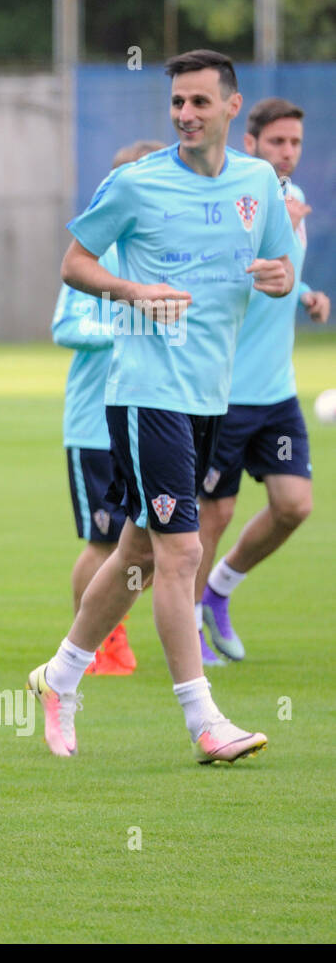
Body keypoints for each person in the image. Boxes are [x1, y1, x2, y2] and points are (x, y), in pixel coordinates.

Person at [30, 50, 293, 764]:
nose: (185, 115)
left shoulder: (258, 182)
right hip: (147, 391)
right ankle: (204, 721)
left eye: (200, 102)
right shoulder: (136, 183)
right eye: (177, 102)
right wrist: (132, 291)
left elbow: (279, 267)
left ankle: (60, 676)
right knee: (182, 552)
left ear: (232, 107)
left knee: (140, 550)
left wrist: (277, 278)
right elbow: (75, 264)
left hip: (214, 395)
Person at [195, 96, 328, 664]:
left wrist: (306, 295)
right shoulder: (235, 199)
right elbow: (220, 279)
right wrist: (269, 241)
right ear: (250, 143)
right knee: (212, 516)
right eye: (278, 142)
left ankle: (218, 592)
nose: (288, 152)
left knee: (294, 504)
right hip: (223, 392)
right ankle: (190, 632)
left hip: (276, 391)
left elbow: (280, 280)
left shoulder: (292, 200)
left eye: (296, 142)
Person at [50, 139, 164, 678]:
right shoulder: (99, 255)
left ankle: (107, 636)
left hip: (153, 417)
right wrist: (127, 319)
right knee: (102, 539)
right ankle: (96, 645)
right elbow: (65, 326)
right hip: (96, 424)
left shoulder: (162, 250)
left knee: (147, 540)